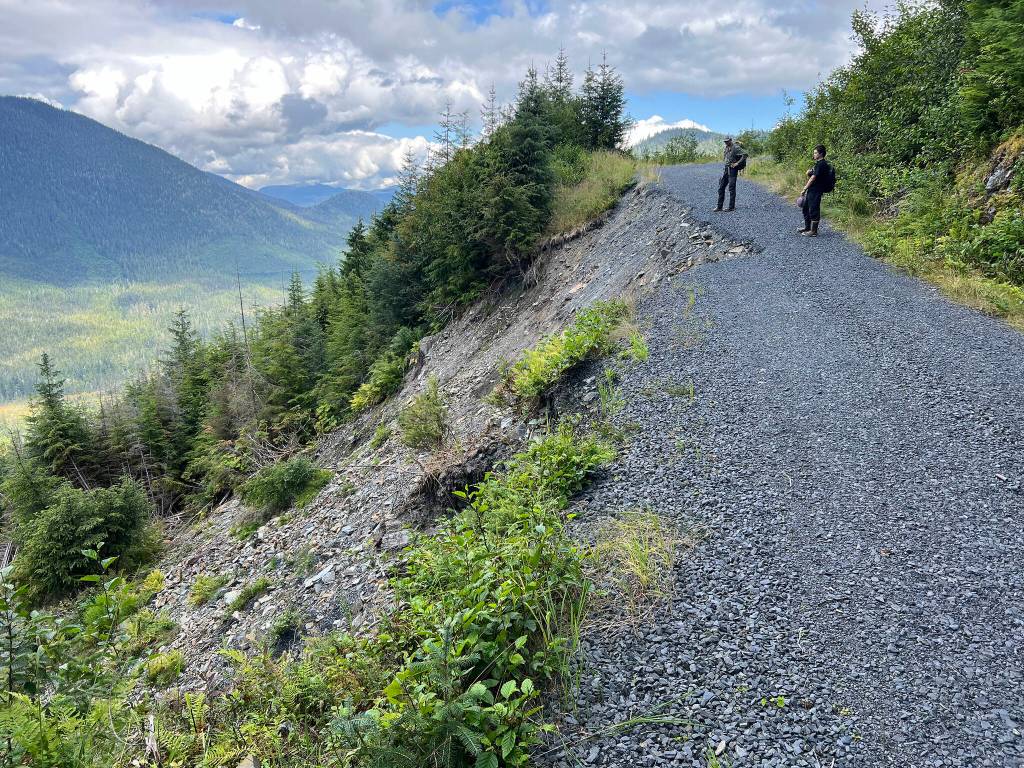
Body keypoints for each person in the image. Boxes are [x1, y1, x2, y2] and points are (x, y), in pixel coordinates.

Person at [799, 144, 831, 237]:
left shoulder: (821, 164)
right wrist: (809, 172)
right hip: (812, 190)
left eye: (816, 153)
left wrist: (804, 189)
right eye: (814, 153)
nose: (814, 154)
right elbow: (814, 174)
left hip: (816, 190)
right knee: (806, 208)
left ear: (821, 154)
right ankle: (807, 227)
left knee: (814, 209)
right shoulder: (818, 164)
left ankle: (813, 231)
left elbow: (813, 178)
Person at [714, 137, 747, 212]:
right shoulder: (726, 147)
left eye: (727, 141)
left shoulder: (736, 147)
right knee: (721, 187)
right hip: (726, 169)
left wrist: (737, 163)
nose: (726, 142)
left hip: (733, 169)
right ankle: (719, 207)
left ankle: (731, 207)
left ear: (730, 140)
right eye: (725, 141)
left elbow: (745, 154)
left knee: (731, 188)